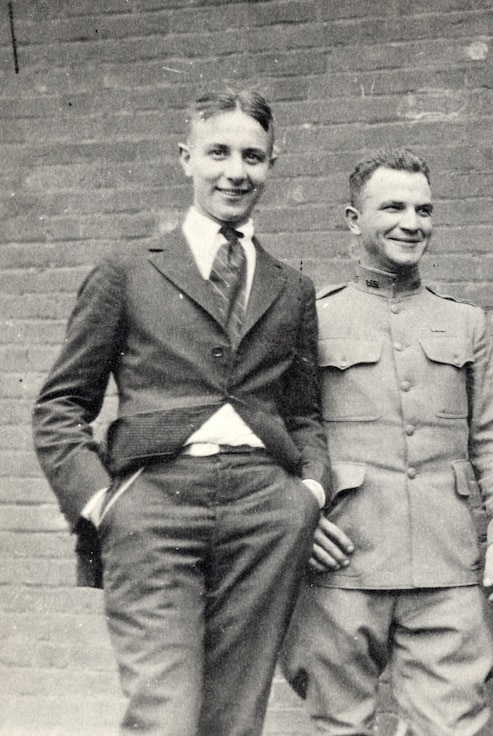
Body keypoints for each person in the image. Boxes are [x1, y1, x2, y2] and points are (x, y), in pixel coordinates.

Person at [31, 88, 329, 736]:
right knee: (163, 716)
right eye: (217, 152)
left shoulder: (291, 287)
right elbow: (60, 405)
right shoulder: (128, 271)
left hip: (264, 510)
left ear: (272, 163)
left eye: (252, 156)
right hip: (154, 505)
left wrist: (307, 490)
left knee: (234, 718)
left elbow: (304, 411)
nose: (235, 171)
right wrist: (100, 504)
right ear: (185, 158)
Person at [280, 148, 493, 736]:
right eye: (392, 206)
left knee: (453, 726)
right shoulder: (310, 319)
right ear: (351, 218)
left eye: (424, 209)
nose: (412, 222)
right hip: (343, 558)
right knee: (338, 724)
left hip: (446, 564)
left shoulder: (465, 322)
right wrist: (301, 519)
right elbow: (282, 432)